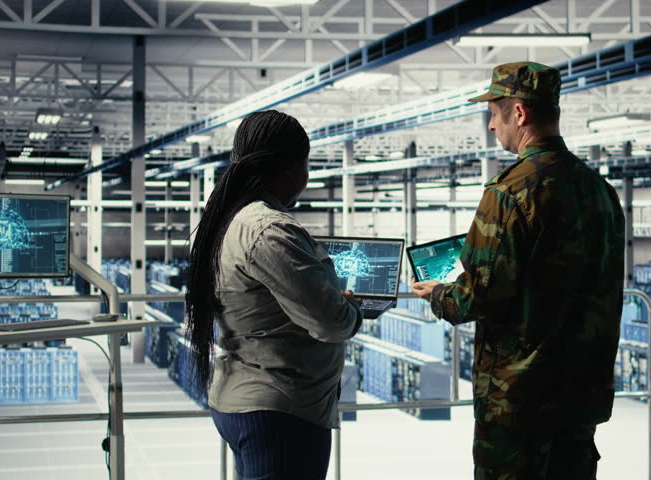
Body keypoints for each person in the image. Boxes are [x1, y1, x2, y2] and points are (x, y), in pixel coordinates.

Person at [412, 62, 626, 480]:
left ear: (519, 113)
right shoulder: (600, 191)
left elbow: (478, 294)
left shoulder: (510, 191)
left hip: (520, 403)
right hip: (581, 394)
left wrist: (438, 293)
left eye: (494, 113)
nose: (492, 125)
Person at [185, 110, 363, 480]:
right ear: (288, 169)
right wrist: (352, 311)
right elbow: (330, 322)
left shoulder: (228, 220)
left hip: (246, 398)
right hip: (281, 410)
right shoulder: (268, 229)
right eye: (306, 164)